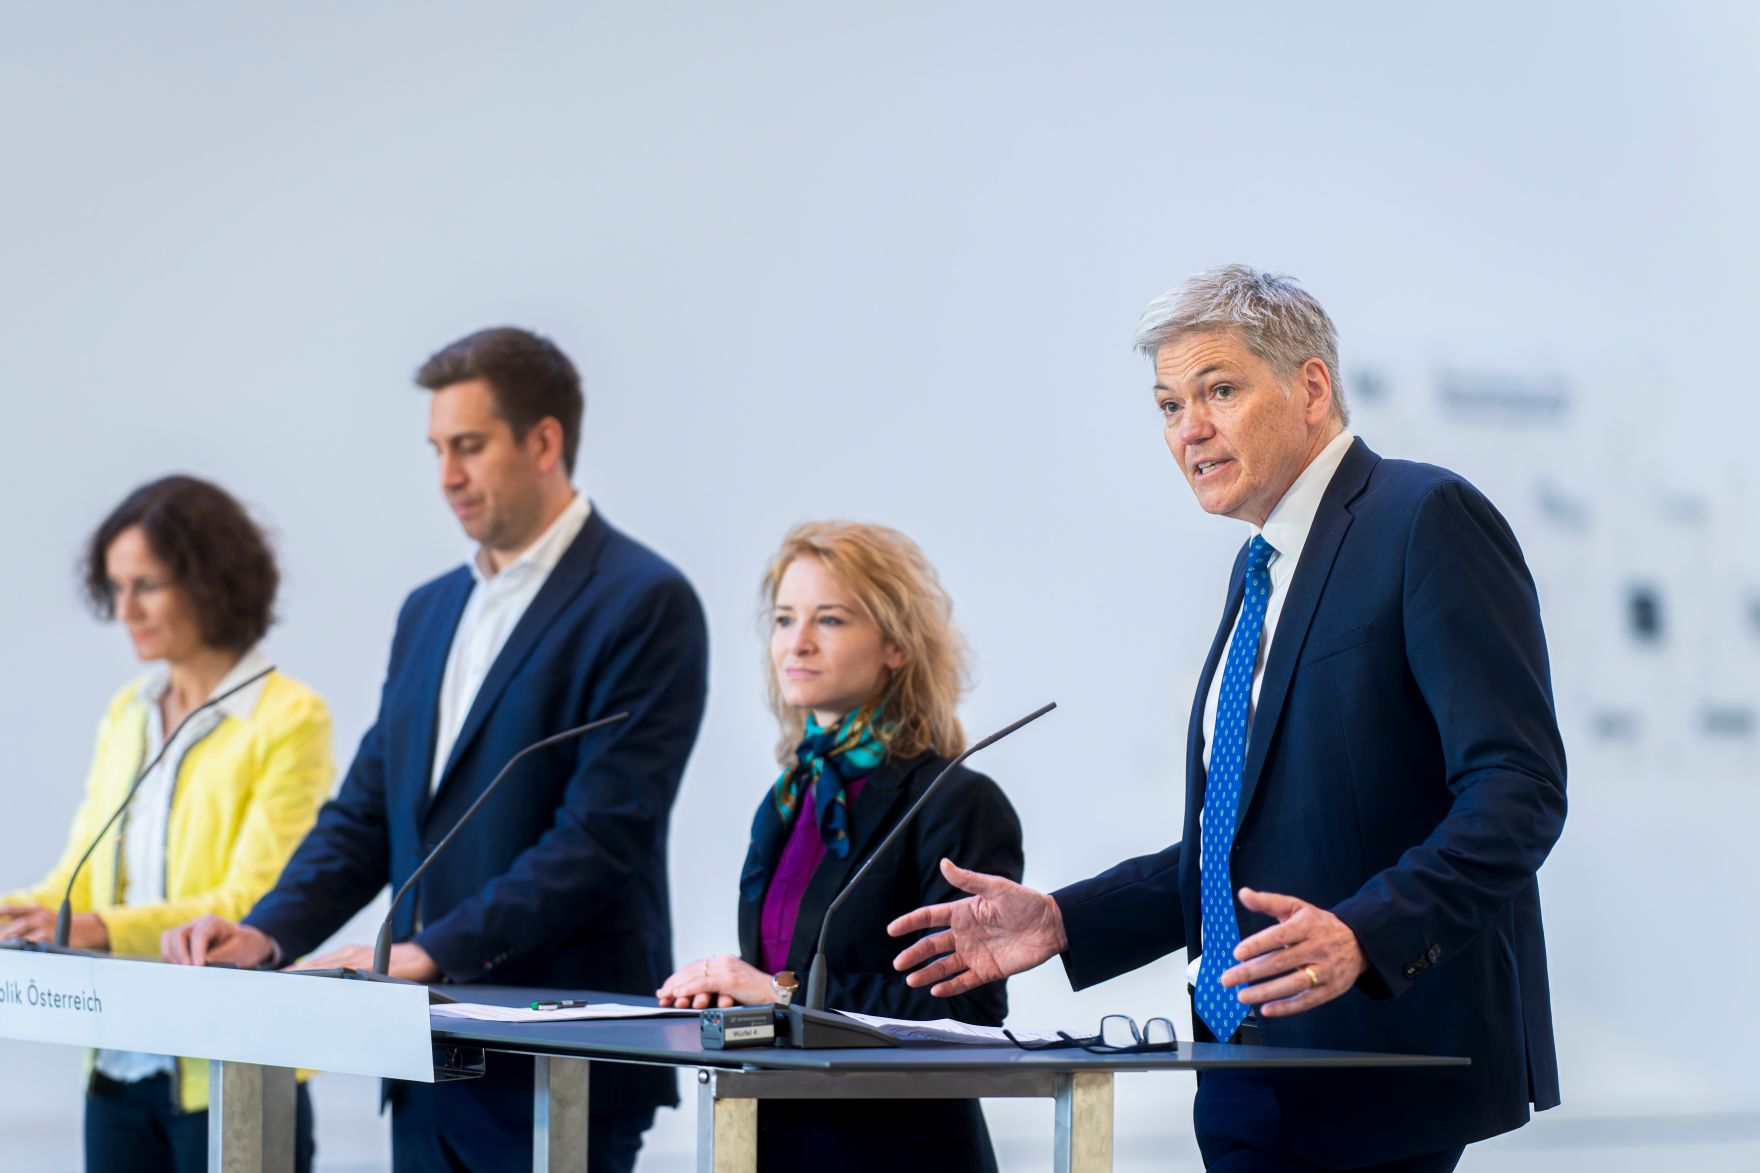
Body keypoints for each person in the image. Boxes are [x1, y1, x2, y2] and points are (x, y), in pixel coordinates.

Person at [889, 267, 1567, 1172]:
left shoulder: (1423, 517)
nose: (1189, 429)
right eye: (1169, 406)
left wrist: (1368, 930)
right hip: (1239, 1062)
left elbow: (1517, 789)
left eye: (1219, 390)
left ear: (1312, 388)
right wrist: (1064, 920)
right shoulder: (1262, 571)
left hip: (1374, 1060)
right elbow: (1237, 840)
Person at [161, 327, 711, 1173]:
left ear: (543, 440)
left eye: (469, 446)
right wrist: (265, 932)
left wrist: (434, 950)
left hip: (562, 1059)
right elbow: (368, 811)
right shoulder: (430, 611)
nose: (448, 475)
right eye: (437, 450)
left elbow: (602, 836)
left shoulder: (642, 600)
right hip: (424, 1056)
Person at [656, 521, 1023, 1172]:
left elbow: (968, 1015)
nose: (795, 642)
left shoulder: (955, 801)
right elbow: (775, 981)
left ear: (896, 646)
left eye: (828, 619)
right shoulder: (789, 799)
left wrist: (777, 993)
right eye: (782, 619)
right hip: (773, 1135)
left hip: (898, 1150)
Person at [0, 475, 333, 1173]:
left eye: (145, 585)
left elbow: (256, 900)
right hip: (121, 1067)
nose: (126, 610)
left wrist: (99, 929)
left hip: (233, 1069)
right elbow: (82, 878)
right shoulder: (129, 711)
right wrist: (22, 912)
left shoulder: (288, 717)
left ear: (211, 580)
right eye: (116, 588)